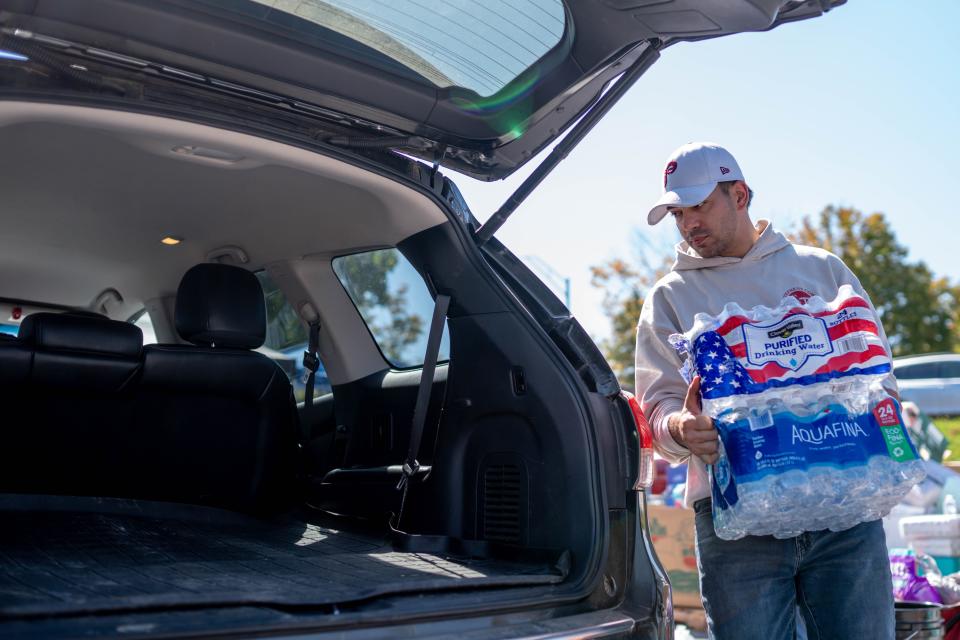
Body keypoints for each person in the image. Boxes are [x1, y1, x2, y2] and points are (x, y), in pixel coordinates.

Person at [635, 142, 897, 639]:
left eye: (700, 205)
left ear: (740, 193)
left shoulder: (822, 271)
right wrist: (681, 428)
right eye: (678, 212)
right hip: (736, 524)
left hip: (845, 510)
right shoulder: (669, 297)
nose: (689, 222)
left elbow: (879, 372)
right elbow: (657, 408)